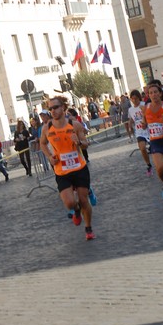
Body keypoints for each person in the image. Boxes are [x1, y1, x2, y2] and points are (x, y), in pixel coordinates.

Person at [40, 96, 96, 240]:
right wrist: (49, 157)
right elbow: (42, 144)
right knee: (70, 202)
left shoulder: (75, 125)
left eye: (56, 107)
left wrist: (79, 142)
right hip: (61, 170)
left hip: (79, 168)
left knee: (83, 200)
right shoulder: (47, 128)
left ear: (63, 108)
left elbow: (85, 143)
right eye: (50, 108)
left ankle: (88, 228)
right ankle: (76, 211)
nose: (53, 111)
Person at [129, 90, 152, 176]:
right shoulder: (130, 110)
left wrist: (145, 122)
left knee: (154, 148)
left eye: (136, 98)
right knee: (142, 148)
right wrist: (130, 126)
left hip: (149, 130)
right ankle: (149, 165)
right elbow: (131, 119)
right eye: (132, 99)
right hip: (139, 132)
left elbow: (149, 115)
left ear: (139, 98)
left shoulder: (144, 105)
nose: (134, 100)